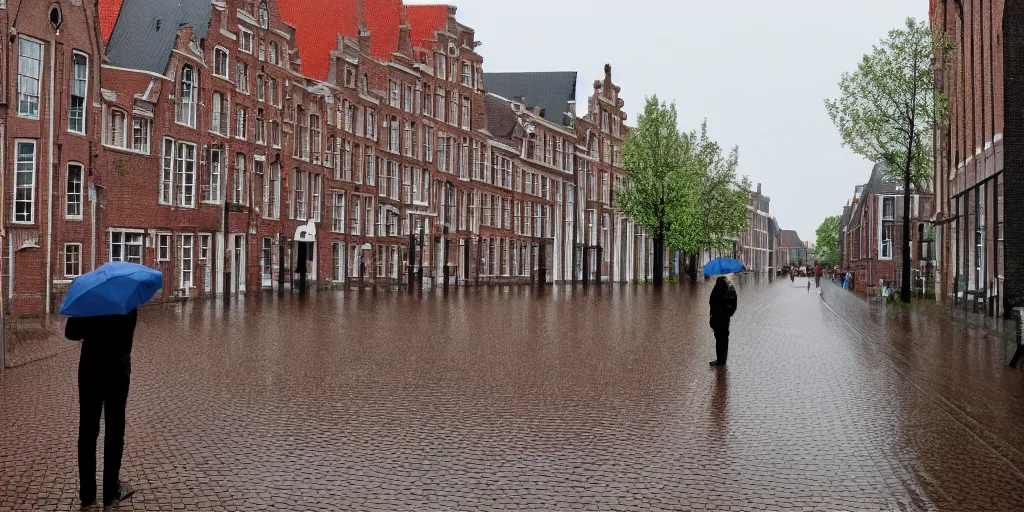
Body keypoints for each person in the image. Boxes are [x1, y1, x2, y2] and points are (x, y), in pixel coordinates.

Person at [65, 309, 138, 509]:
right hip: (117, 372)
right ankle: (110, 493)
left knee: (87, 431)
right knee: (114, 432)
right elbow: (128, 333)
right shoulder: (126, 301)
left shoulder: (88, 301)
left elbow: (71, 332)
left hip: (90, 371)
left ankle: (88, 496)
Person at [709, 275, 738, 366]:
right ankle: (723, 360)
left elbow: (713, 301)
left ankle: (720, 360)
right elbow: (734, 303)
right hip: (726, 318)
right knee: (724, 339)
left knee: (720, 339)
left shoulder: (720, 286)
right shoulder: (730, 286)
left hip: (719, 317)